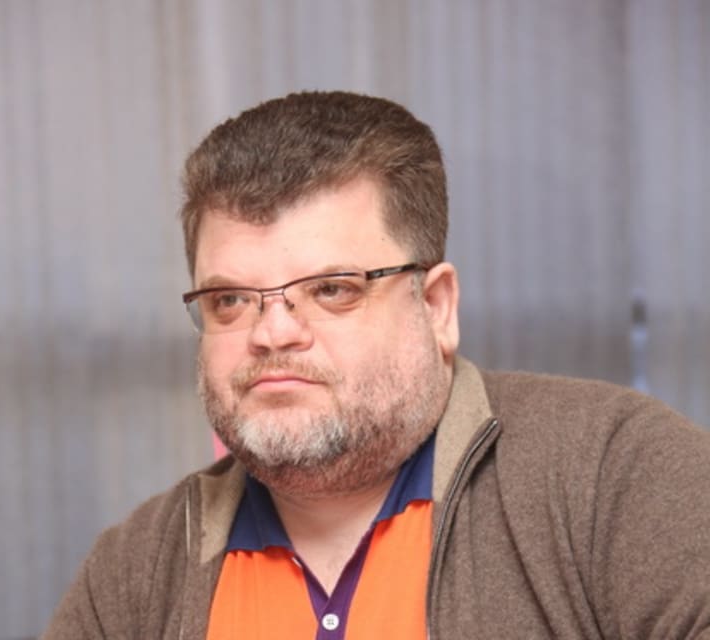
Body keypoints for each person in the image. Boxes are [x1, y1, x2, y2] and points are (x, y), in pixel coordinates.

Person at [42, 91, 710, 639]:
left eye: (332, 289)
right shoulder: (133, 572)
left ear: (436, 306)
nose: (272, 332)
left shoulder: (614, 475)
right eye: (231, 300)